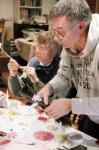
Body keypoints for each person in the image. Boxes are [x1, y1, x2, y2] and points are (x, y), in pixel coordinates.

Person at [37, 0, 99, 139]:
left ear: (81, 26)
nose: (57, 39)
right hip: (90, 116)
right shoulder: (70, 43)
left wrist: (71, 104)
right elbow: (64, 76)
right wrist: (50, 87)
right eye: (54, 32)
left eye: (60, 32)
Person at [8, 31, 61, 100]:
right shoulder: (34, 62)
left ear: (53, 51)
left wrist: (36, 81)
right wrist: (13, 75)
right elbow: (19, 92)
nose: (37, 51)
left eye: (42, 48)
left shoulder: (61, 69)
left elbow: (53, 100)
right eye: (37, 47)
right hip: (33, 106)